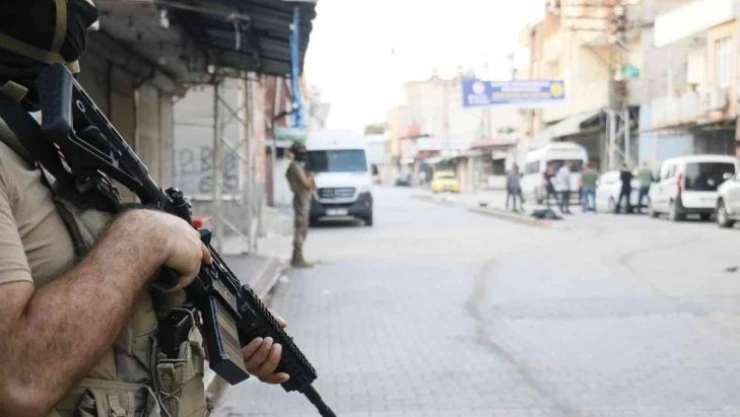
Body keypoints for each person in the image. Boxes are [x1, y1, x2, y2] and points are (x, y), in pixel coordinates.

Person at [0, 3, 286, 417]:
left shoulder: (38, 144)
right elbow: (17, 381)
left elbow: (102, 305)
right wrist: (143, 236)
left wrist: (227, 325)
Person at [286, 141, 315, 267]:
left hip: (303, 198)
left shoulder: (297, 165)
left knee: (303, 226)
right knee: (301, 226)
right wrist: (311, 174)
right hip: (301, 198)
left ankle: (297, 256)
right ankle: (297, 257)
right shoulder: (295, 166)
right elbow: (306, 183)